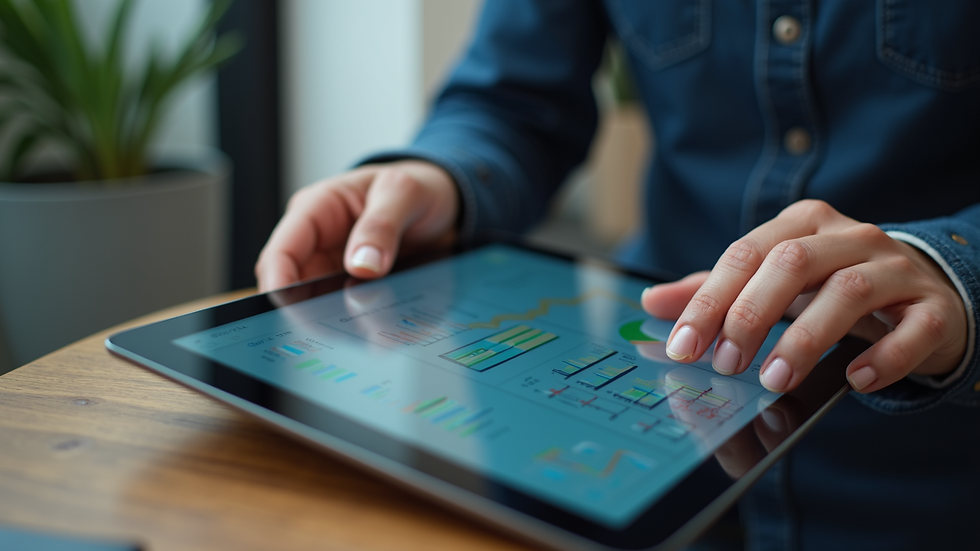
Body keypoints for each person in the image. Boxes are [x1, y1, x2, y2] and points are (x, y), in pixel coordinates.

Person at [256, 2, 980, 549]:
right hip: (647, 427)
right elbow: (511, 99)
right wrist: (435, 175)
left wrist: (952, 259)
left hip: (927, 473)